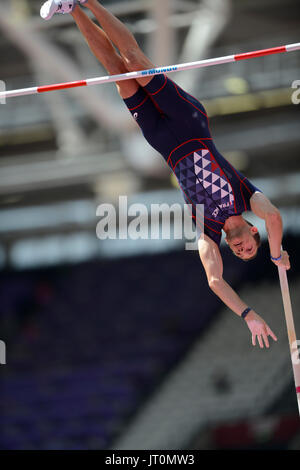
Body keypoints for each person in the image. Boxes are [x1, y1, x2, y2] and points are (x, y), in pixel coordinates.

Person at [40, 0, 291, 349]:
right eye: (250, 246)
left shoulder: (208, 230)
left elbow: (215, 281)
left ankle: (73, 9)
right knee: (133, 61)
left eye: (240, 253)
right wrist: (276, 254)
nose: (242, 248)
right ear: (252, 230)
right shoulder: (247, 195)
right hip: (190, 125)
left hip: (162, 143)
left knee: (115, 71)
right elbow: (275, 218)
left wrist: (248, 314)